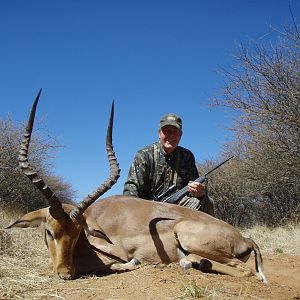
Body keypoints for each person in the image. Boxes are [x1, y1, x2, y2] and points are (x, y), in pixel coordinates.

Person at [123, 113, 214, 215]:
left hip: (178, 206)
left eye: (174, 132)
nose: (170, 135)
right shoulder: (144, 154)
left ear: (180, 135)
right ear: (159, 134)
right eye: (166, 131)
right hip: (147, 208)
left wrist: (200, 193)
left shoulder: (187, 156)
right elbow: (132, 188)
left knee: (208, 202)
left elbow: (195, 184)